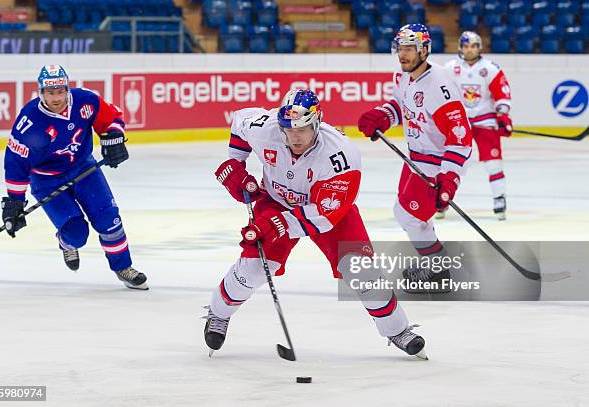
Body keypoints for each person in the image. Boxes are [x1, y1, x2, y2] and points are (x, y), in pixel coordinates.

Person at [204, 89, 427, 358]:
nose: (295, 136)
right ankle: (218, 314)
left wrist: (275, 225)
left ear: (317, 122)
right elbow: (240, 121)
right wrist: (236, 166)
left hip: (328, 211)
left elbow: (324, 216)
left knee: (361, 272)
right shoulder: (267, 129)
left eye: (303, 129)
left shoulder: (341, 156)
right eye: (289, 129)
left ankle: (398, 330)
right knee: (253, 268)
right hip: (276, 201)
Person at [1, 64, 148, 290]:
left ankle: (123, 267)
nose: (56, 98)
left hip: (84, 169)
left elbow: (111, 118)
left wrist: (114, 137)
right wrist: (14, 201)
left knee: (109, 220)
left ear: (67, 89)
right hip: (46, 180)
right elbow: (16, 163)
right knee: (77, 234)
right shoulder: (29, 122)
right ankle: (66, 243)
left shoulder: (85, 101)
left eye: (60, 91)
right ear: (41, 92)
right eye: (50, 93)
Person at [358, 24, 473, 291]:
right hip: (415, 157)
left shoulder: (440, 85)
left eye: (409, 48)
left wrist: (450, 178)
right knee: (411, 215)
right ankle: (438, 264)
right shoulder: (401, 75)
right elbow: (402, 105)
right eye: (400, 48)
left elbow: (460, 138)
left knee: (407, 215)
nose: (402, 54)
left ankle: (439, 268)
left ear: (424, 50)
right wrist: (383, 116)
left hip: (438, 161)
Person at [442, 31, 512, 220]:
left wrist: (503, 115)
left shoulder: (490, 68)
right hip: (459, 121)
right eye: (466, 46)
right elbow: (441, 93)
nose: (469, 49)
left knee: (493, 162)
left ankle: (499, 198)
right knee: (449, 162)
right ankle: (442, 198)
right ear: (460, 48)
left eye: (473, 46)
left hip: (485, 119)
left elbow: (502, 93)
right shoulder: (450, 68)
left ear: (479, 48)